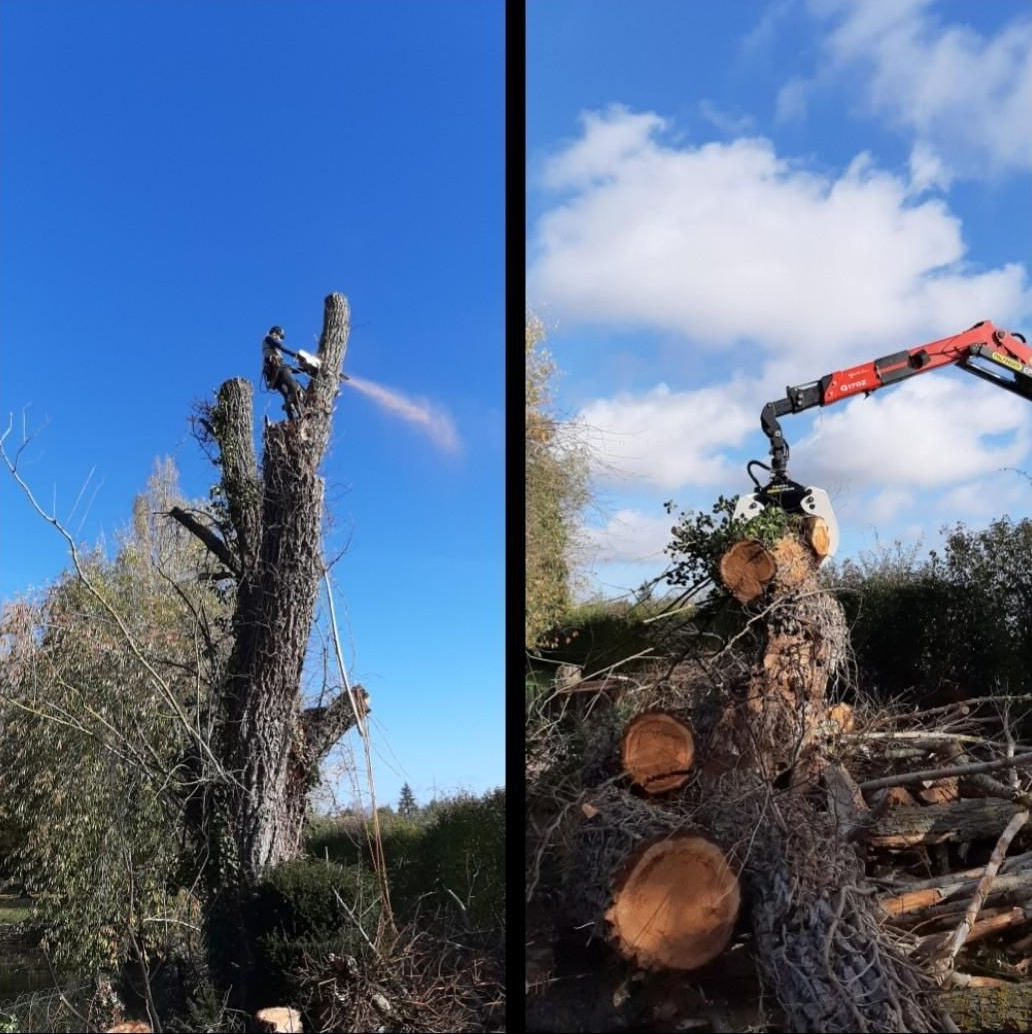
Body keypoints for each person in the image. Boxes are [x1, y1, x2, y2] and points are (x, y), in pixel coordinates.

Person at [262, 326, 305, 419]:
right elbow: (281, 347)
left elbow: (288, 369)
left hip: (274, 376)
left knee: (287, 395)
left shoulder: (273, 352)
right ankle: (297, 409)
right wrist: (295, 355)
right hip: (277, 369)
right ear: (276, 333)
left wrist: (303, 370)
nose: (280, 339)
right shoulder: (269, 338)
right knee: (294, 387)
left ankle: (293, 419)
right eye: (280, 336)